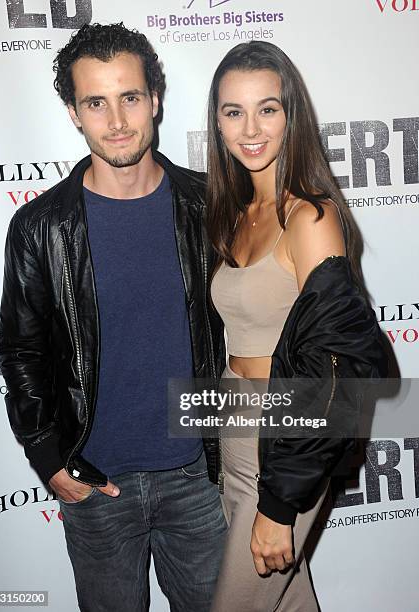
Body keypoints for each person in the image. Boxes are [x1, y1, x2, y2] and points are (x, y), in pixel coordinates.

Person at [0, 22, 227, 612]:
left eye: (129, 97)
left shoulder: (210, 208)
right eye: (96, 102)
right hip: (95, 482)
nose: (117, 120)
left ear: (155, 99)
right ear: (73, 113)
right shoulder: (41, 226)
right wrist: (49, 458)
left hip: (197, 475)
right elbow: (20, 352)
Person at [204, 41, 387, 611]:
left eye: (268, 108)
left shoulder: (308, 216)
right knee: (282, 602)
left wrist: (281, 502)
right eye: (234, 111)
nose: (251, 128)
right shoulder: (236, 212)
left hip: (287, 436)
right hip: (235, 424)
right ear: (217, 121)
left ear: (292, 115)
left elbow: (338, 365)